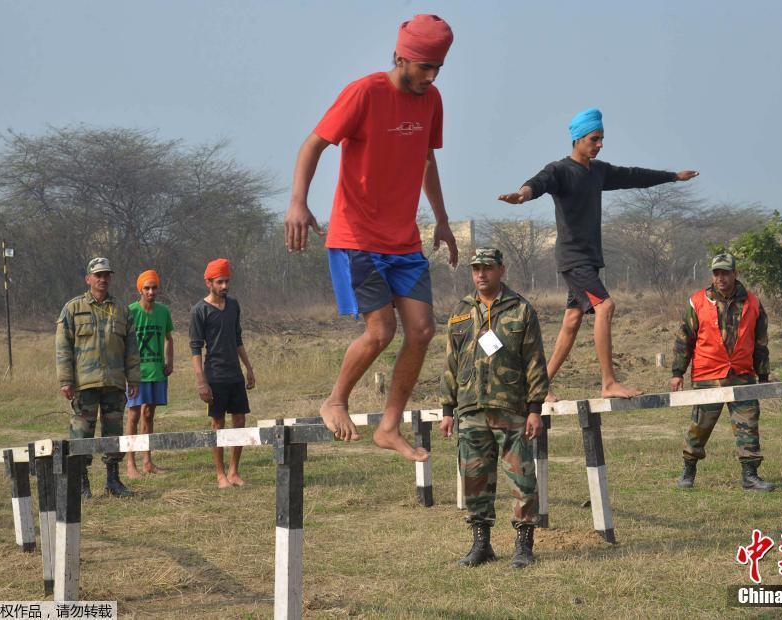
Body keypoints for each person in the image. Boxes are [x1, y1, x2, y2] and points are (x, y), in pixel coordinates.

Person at [283, 14, 458, 462]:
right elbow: (312, 144)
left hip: (403, 242)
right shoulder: (364, 92)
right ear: (401, 56)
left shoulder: (431, 99)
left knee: (421, 330)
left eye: (438, 67)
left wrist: (441, 219)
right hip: (357, 236)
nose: (431, 76)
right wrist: (298, 203)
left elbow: (427, 161)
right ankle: (335, 399)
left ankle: (388, 425)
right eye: (424, 67)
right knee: (381, 330)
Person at [498, 107, 699, 400]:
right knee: (605, 307)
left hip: (588, 259)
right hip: (573, 257)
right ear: (578, 139)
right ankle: (608, 383)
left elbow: (634, 176)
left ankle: (539, 386)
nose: (600, 144)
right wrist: (522, 194)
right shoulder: (560, 170)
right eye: (595, 139)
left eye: (602, 138)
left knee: (572, 320)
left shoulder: (599, 172)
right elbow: (537, 183)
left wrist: (672, 177)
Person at [440, 248, 549, 569]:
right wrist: (448, 409)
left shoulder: (520, 310)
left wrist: (534, 408)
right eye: (475, 268)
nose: (481, 274)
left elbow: (534, 360)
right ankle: (481, 544)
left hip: (511, 408)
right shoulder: (460, 312)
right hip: (470, 409)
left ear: (501, 269)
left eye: (487, 267)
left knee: (521, 477)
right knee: (474, 478)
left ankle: (524, 545)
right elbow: (450, 363)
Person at [670, 253, 775, 491]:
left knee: (748, 425)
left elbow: (761, 343)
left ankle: (750, 476)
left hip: (742, 374)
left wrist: (764, 376)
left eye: (726, 273)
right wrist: (678, 372)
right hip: (708, 374)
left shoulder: (753, 302)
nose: (721, 278)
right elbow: (684, 339)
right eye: (717, 273)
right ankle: (688, 471)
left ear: (735, 274)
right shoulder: (697, 302)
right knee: (700, 426)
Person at [55, 257, 140, 498]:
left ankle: (113, 481)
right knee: (81, 434)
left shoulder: (122, 310)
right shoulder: (73, 308)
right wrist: (65, 380)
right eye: (98, 275)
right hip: (85, 382)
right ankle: (82, 484)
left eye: (107, 275)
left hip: (114, 382)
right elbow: (63, 348)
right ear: (88, 279)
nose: (103, 279)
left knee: (113, 433)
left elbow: (131, 348)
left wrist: (134, 379)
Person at [189, 258, 256, 489]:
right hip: (214, 375)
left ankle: (234, 471)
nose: (225, 286)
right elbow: (195, 349)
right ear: (209, 283)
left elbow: (237, 339)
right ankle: (220, 475)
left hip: (234, 374)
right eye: (220, 282)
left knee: (240, 420)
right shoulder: (199, 310)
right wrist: (201, 381)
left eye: (227, 281)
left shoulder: (234, 305)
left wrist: (248, 367)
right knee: (218, 423)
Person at [124, 270, 174, 478]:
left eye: (154, 287)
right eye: (147, 288)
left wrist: (169, 361)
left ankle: (148, 461)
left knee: (149, 415)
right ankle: (130, 464)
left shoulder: (163, 312)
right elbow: (123, 342)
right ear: (140, 289)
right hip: (136, 373)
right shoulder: (130, 312)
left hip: (156, 371)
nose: (151, 291)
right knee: (134, 414)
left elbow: (168, 337)